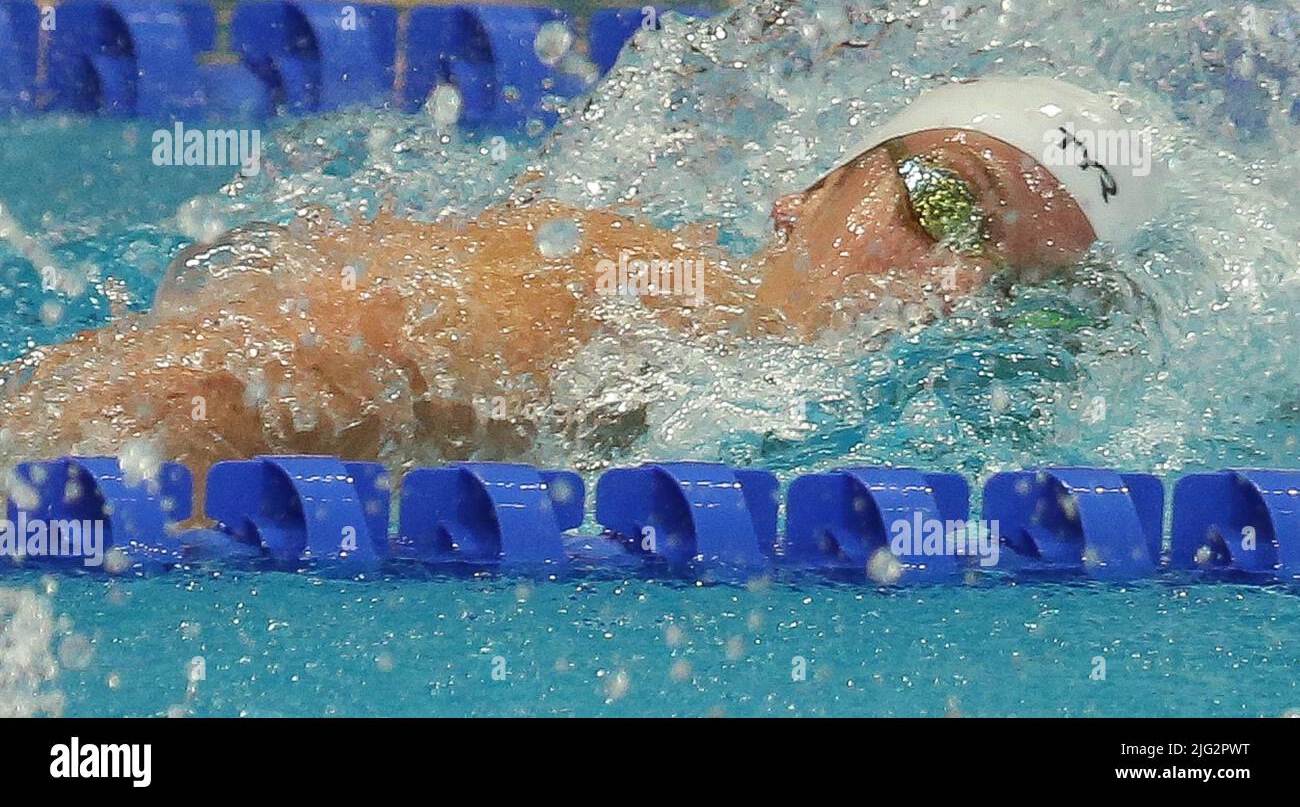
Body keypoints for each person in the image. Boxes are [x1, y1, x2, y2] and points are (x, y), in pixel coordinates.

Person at [0, 77, 1155, 496]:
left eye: (1014, 290)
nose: (951, 289)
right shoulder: (582, 301)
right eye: (945, 207)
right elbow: (155, 407)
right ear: (801, 193)